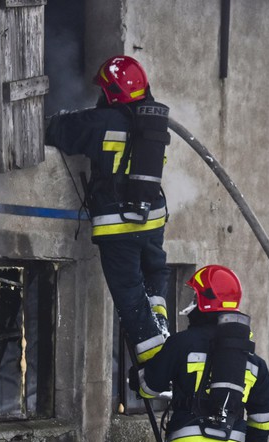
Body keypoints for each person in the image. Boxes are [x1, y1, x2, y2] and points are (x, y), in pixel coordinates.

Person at [45, 55, 171, 364]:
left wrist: (64, 115)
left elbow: (57, 131)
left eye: (104, 90)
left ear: (112, 92)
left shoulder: (102, 122)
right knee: (153, 275)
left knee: (128, 293)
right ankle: (161, 326)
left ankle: (155, 364)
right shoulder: (153, 121)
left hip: (119, 226)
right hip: (153, 220)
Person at [134, 265, 269, 442]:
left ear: (203, 302)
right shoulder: (253, 362)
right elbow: (264, 418)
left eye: (194, 297)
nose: (191, 303)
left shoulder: (181, 343)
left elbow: (148, 388)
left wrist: (139, 370)